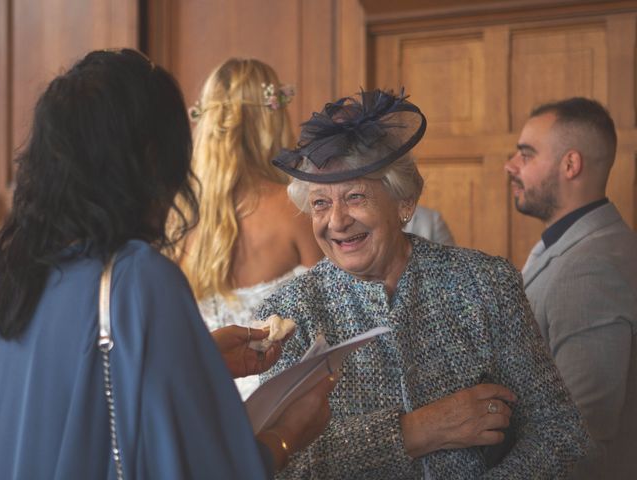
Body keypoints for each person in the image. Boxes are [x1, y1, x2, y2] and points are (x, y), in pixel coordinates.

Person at [0, 49, 336, 479]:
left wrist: (199, 359)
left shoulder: (19, 273)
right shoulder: (137, 278)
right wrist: (288, 432)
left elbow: (77, 396)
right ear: (153, 159)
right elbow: (211, 469)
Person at [256, 89, 590, 479]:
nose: (337, 221)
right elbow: (281, 464)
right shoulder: (291, 313)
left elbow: (558, 430)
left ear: (405, 202)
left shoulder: (484, 283)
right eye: (320, 204)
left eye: (355, 196)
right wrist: (416, 431)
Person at [505, 97, 637, 479]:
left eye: (526, 155)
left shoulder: (591, 268)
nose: (510, 166)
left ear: (570, 164)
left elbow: (580, 433)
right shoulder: (573, 244)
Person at [175, 58, 323, 399]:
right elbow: (335, 310)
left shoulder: (178, 217)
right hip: (278, 403)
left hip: (201, 399)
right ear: (271, 119)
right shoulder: (295, 209)